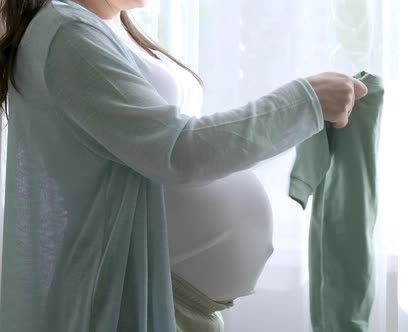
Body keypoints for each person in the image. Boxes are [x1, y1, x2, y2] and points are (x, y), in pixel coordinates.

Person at [0, 0, 368, 331]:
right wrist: (303, 103)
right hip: (123, 290)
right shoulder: (66, 33)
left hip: (168, 290)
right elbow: (176, 152)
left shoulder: (110, 25)